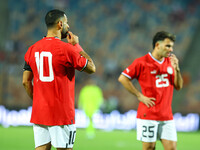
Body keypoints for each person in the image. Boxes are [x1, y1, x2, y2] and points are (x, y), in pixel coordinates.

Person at [22, 9, 96, 150]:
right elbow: (92, 68)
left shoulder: (32, 49)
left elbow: (25, 81)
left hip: (40, 113)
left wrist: (38, 101)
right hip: (61, 115)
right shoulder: (67, 49)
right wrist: (76, 45)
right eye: (67, 23)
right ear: (60, 24)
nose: (69, 27)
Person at [118, 31, 183, 150]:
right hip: (148, 114)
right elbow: (123, 78)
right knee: (149, 148)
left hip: (166, 116)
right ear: (157, 45)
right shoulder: (142, 62)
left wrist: (177, 69)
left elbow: (179, 86)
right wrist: (139, 96)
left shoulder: (170, 62)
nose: (171, 49)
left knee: (172, 148)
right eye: (168, 46)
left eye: (172, 46)